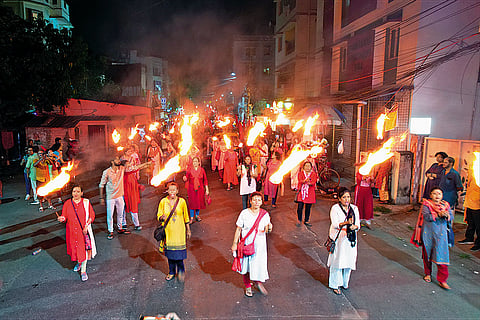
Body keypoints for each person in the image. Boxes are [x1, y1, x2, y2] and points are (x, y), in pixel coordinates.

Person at [231, 192, 273, 297]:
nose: (256, 202)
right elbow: (238, 229)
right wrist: (234, 244)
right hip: (246, 244)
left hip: (260, 246)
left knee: (258, 264)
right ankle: (248, 286)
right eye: (254, 200)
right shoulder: (244, 213)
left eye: (259, 200)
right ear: (250, 201)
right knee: (246, 266)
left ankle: (258, 282)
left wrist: (270, 227)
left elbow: (268, 228)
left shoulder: (265, 214)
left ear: (262, 202)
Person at [411, 187, 453, 290]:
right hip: (428, 234)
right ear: (430, 195)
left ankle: (442, 280)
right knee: (427, 255)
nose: (437, 195)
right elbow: (427, 217)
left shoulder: (446, 205)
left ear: (442, 196)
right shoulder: (426, 204)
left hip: (441, 235)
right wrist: (438, 215)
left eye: (439, 193)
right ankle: (428, 274)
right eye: (434, 193)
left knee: (442, 256)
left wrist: (447, 215)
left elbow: (451, 217)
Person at [57, 185, 96, 282]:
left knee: (83, 250)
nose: (76, 193)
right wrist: (62, 218)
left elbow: (92, 215)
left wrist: (87, 225)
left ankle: (83, 271)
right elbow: (64, 216)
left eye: (78, 191)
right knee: (75, 249)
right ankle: (79, 263)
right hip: (71, 232)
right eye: (74, 191)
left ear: (82, 193)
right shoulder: (67, 203)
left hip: (82, 231)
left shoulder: (86, 202)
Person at [327, 187, 360, 295]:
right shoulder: (335, 208)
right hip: (339, 238)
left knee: (348, 260)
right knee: (337, 261)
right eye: (344, 197)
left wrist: (354, 227)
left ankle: (345, 282)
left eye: (348, 197)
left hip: (350, 239)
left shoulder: (354, 209)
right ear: (339, 199)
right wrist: (346, 223)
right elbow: (335, 224)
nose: (347, 199)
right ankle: (335, 284)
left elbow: (358, 224)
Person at [157, 182, 191, 282]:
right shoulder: (163, 201)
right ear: (167, 191)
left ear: (177, 191)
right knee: (170, 255)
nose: (172, 191)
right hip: (168, 233)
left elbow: (186, 216)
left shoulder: (182, 201)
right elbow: (159, 214)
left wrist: (188, 229)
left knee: (179, 255)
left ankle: (181, 271)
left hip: (179, 233)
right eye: (170, 189)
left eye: (174, 189)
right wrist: (161, 217)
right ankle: (171, 272)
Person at [99, 156, 131, 239]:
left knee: (120, 213)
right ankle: (110, 231)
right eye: (116, 159)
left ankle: (120, 228)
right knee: (110, 215)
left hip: (119, 196)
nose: (118, 161)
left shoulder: (122, 169)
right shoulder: (107, 172)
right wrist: (101, 198)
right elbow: (101, 185)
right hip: (110, 197)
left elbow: (132, 167)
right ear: (112, 161)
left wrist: (146, 164)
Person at [122, 147, 150, 231]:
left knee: (133, 205)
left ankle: (136, 224)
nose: (130, 164)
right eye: (127, 163)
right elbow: (136, 167)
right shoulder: (125, 170)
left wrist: (146, 164)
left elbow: (136, 167)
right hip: (124, 190)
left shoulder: (130, 169)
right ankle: (123, 223)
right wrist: (146, 164)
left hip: (132, 189)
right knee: (123, 206)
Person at [458, 167, 480, 251]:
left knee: (478, 226)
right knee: (470, 223)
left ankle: (478, 243)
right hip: (470, 202)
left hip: (477, 204)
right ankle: (469, 238)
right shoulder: (472, 176)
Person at [183, 156, 209, 222]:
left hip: (200, 189)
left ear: (199, 162)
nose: (195, 163)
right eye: (193, 161)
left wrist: (207, 189)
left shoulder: (202, 170)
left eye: (196, 161)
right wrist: (185, 178)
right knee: (192, 203)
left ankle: (197, 215)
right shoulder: (189, 170)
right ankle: (191, 217)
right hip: (191, 189)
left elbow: (205, 180)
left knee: (198, 202)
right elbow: (186, 178)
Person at [295, 161, 318, 227]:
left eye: (309, 166)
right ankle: (299, 220)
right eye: (306, 166)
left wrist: (307, 182)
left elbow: (313, 182)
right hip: (301, 193)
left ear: (311, 167)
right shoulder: (300, 173)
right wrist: (305, 181)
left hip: (310, 193)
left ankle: (306, 220)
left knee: (308, 207)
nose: (308, 167)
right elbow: (300, 180)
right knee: (300, 207)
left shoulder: (313, 174)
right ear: (303, 167)